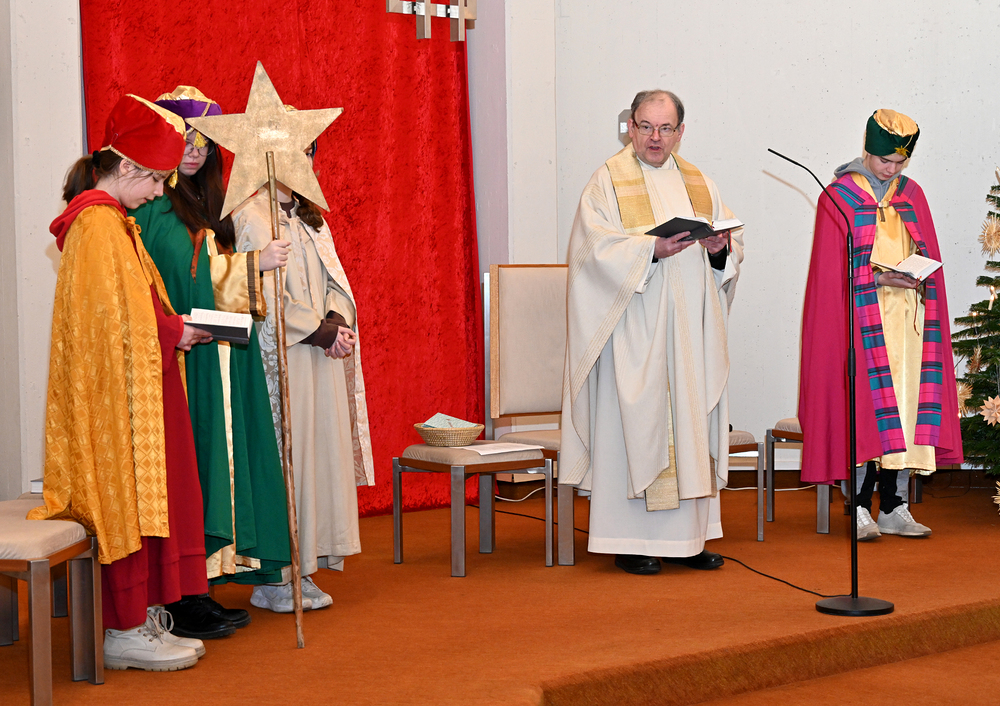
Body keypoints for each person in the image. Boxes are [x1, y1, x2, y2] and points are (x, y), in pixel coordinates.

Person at [28, 94, 228, 670]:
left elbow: (127, 311)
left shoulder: (113, 221)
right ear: (127, 168)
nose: (161, 192)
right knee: (126, 502)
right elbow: (105, 328)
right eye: (156, 179)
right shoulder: (97, 225)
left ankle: (143, 617)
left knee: (158, 497)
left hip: (142, 382)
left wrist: (172, 329)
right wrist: (174, 332)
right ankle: (122, 629)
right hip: (117, 398)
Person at [130, 86, 302, 625]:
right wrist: (252, 266)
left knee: (217, 465)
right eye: (185, 139)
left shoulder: (211, 204)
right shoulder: (156, 205)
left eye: (204, 141)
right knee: (195, 468)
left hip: (220, 352)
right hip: (184, 358)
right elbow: (180, 273)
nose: (195, 151)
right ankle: (181, 592)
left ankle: (204, 581)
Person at [560, 90, 744, 575]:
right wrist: (649, 251)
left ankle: (690, 540)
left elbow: (731, 249)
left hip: (689, 336)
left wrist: (720, 250)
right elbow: (590, 252)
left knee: (689, 426)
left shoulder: (700, 183)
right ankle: (631, 539)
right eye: (645, 127)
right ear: (630, 127)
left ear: (681, 132)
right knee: (639, 426)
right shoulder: (607, 181)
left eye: (665, 128)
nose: (655, 137)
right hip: (633, 332)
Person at [799, 109, 963, 540]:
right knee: (865, 413)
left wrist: (917, 274)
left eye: (899, 163)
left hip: (907, 325)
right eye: (884, 161)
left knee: (906, 410)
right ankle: (857, 506)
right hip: (859, 322)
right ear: (867, 150)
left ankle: (893, 505)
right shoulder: (838, 196)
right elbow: (829, 272)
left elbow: (925, 248)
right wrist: (877, 277)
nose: (891, 170)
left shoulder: (912, 194)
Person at [232, 125, 374, 610]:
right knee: (286, 459)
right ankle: (275, 575)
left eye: (309, 151)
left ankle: (305, 566)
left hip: (320, 358)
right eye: (295, 151)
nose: (305, 160)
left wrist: (338, 322)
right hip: (285, 358)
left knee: (317, 458)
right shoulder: (251, 215)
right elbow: (260, 292)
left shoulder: (313, 221)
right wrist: (317, 330)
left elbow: (337, 283)